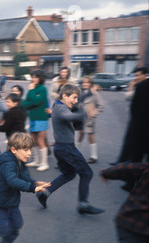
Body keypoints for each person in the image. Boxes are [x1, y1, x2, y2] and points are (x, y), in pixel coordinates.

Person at [36, 84, 104, 215]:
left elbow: (77, 125)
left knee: (69, 174)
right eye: (74, 97)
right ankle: (83, 204)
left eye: (77, 98)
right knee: (87, 173)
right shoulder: (60, 108)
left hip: (61, 148)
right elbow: (70, 117)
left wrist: (78, 108)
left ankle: (44, 194)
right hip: (66, 148)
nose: (75, 100)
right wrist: (84, 111)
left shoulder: (63, 106)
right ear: (64, 96)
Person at [22, 69, 50, 171]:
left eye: (36, 77)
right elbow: (25, 103)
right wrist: (32, 99)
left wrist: (32, 91)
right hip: (32, 117)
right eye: (32, 77)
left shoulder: (42, 88)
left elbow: (37, 101)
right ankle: (37, 161)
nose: (34, 79)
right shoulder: (32, 88)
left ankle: (44, 163)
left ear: (41, 78)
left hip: (41, 117)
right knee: (33, 141)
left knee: (40, 140)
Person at [77, 76, 104, 163]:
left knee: (90, 136)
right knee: (80, 135)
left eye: (87, 82)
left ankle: (94, 156)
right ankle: (77, 153)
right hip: (80, 117)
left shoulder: (95, 93)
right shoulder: (80, 92)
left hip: (90, 119)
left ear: (91, 84)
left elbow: (101, 106)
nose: (85, 84)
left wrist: (93, 113)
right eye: (84, 82)